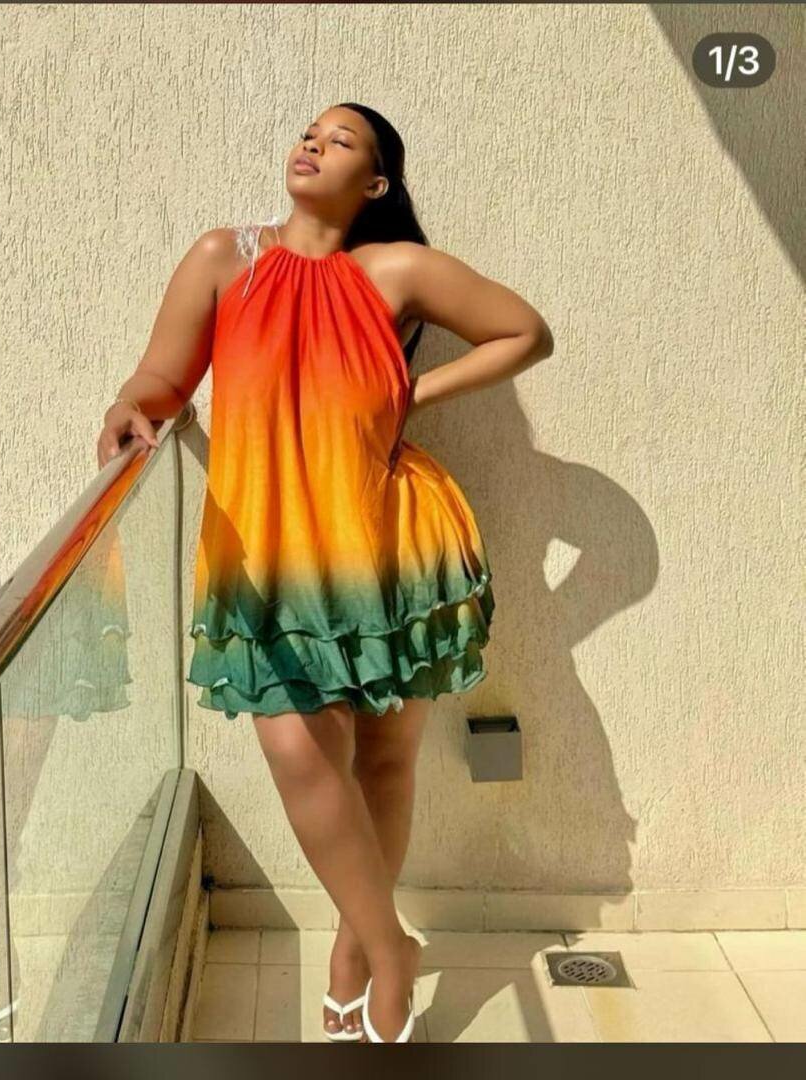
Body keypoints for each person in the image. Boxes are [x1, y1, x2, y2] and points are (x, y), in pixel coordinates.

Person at [97, 103, 553, 1043]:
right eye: (309, 132)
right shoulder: (223, 257)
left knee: (383, 759)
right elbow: (161, 378)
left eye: (340, 140)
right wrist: (126, 406)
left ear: (375, 183)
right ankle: (391, 947)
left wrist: (408, 393)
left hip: (391, 540)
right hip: (269, 555)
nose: (312, 143)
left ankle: (351, 955)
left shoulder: (396, 269)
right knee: (301, 753)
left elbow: (524, 332)